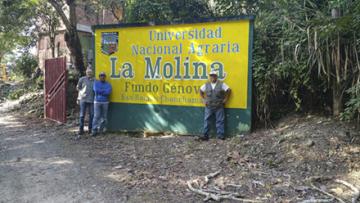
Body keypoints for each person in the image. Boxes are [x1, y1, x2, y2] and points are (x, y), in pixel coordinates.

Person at [199, 70, 231, 140]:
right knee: (207, 120)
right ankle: (205, 136)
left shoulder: (221, 84)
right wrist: (203, 100)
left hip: (219, 106)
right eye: (211, 76)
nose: (212, 77)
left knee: (220, 121)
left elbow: (229, 90)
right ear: (209, 77)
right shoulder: (206, 84)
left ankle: (221, 136)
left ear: (216, 76)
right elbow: (200, 91)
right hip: (209, 106)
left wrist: (226, 99)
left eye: (214, 75)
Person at [92, 72, 112, 136]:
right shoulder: (96, 83)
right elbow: (96, 90)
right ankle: (94, 130)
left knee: (104, 117)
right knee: (96, 116)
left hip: (105, 102)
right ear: (99, 77)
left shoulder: (108, 84)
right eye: (101, 76)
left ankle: (102, 130)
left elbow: (108, 92)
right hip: (97, 102)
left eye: (103, 76)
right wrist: (104, 91)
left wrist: (101, 91)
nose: (102, 77)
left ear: (105, 77)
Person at [76, 68, 95, 138]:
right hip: (83, 99)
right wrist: (79, 97)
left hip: (92, 100)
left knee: (92, 115)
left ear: (92, 73)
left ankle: (90, 129)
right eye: (88, 72)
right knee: (82, 115)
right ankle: (81, 130)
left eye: (90, 72)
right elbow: (78, 88)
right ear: (86, 72)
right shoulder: (82, 79)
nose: (89, 73)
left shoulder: (94, 80)